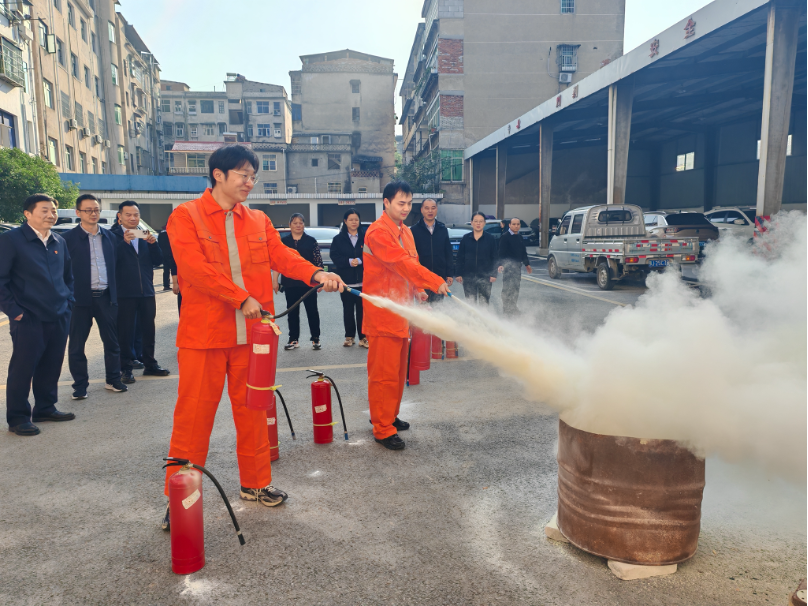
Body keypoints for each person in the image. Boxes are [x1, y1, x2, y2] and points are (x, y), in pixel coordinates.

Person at [162, 144, 343, 528]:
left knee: (255, 412)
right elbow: (193, 270)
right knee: (193, 419)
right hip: (204, 338)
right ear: (218, 175)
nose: (250, 182)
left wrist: (316, 274)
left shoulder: (258, 220)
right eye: (244, 175)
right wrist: (240, 296)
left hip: (253, 338)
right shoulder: (186, 216)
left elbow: (283, 257)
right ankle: (179, 499)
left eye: (253, 176)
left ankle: (256, 484)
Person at [363, 181, 449, 451]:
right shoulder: (378, 232)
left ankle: (389, 414)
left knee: (399, 372)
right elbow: (401, 262)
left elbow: (410, 267)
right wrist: (434, 281)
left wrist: (419, 289)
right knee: (383, 374)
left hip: (402, 311)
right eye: (400, 203)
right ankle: (382, 428)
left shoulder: (406, 232)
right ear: (385, 203)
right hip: (383, 314)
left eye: (409, 203)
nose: (405, 208)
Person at [0, 194, 76, 436]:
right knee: (23, 368)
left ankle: (45, 407)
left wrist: (68, 302)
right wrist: (15, 312)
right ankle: (18, 417)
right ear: (27, 214)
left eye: (53, 210)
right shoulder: (11, 240)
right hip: (28, 316)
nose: (50, 214)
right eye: (44, 210)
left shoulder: (58, 241)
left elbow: (68, 276)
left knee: (51, 364)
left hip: (58, 313)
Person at [62, 194, 128, 399]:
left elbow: (117, 267)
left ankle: (113, 379)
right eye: (88, 210)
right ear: (78, 213)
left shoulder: (110, 237)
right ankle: (80, 386)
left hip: (105, 298)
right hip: (78, 300)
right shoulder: (66, 239)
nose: (93, 213)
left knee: (112, 342)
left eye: (96, 210)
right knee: (76, 346)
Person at [110, 201, 170, 384]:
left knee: (148, 330)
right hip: (124, 293)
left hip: (147, 291)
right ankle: (126, 368)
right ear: (120, 216)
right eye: (128, 214)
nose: (132, 218)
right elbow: (110, 261)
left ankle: (150, 363)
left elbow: (158, 260)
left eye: (136, 214)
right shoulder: (112, 236)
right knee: (125, 332)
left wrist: (153, 244)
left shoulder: (144, 235)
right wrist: (124, 243)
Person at [273, 213, 323, 351]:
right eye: (295, 223)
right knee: (292, 312)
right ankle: (293, 339)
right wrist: (275, 281)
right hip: (290, 282)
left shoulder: (311, 241)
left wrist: (320, 281)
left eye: (300, 222)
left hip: (309, 282)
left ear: (304, 225)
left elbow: (318, 262)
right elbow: (278, 263)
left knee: (312, 311)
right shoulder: (284, 242)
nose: (298, 225)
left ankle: (315, 339)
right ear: (290, 225)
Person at [330, 208, 368, 348]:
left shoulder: (366, 237)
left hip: (364, 281)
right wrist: (348, 261)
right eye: (350, 219)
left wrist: (361, 260)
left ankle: (363, 337)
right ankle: (349, 336)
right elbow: (334, 256)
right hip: (346, 282)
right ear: (345, 221)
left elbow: (373, 254)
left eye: (356, 219)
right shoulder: (338, 239)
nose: (354, 222)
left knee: (362, 311)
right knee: (348, 310)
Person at [411, 198, 454, 302]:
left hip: (439, 276)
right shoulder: (414, 230)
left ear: (436, 209)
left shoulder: (442, 229)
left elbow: (448, 252)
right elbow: (412, 255)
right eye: (427, 208)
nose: (430, 211)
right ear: (422, 210)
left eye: (433, 208)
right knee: (424, 309)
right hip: (422, 277)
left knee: (437, 307)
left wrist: (449, 273)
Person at [455, 212, 498, 305]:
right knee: (470, 303)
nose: (478, 224)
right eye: (476, 221)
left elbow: (494, 257)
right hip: (468, 277)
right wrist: (458, 273)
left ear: (484, 223)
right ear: (471, 222)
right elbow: (460, 257)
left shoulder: (490, 238)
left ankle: (483, 319)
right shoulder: (466, 238)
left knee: (484, 303)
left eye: (481, 221)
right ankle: (472, 320)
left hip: (485, 276)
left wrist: (494, 274)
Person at [498, 217, 533, 316]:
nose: (516, 226)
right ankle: (506, 308)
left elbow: (523, 252)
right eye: (514, 224)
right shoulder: (505, 237)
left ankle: (513, 307)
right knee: (507, 288)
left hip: (517, 267)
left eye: (518, 224)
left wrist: (527, 264)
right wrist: (501, 264)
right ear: (509, 225)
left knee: (515, 288)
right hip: (508, 267)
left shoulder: (519, 237)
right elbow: (501, 252)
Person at [157, 225, 181, 315]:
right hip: (171, 255)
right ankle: (167, 284)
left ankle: (166, 284)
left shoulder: (161, 235)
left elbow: (159, 244)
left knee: (165, 271)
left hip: (164, 255)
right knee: (170, 269)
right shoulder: (174, 235)